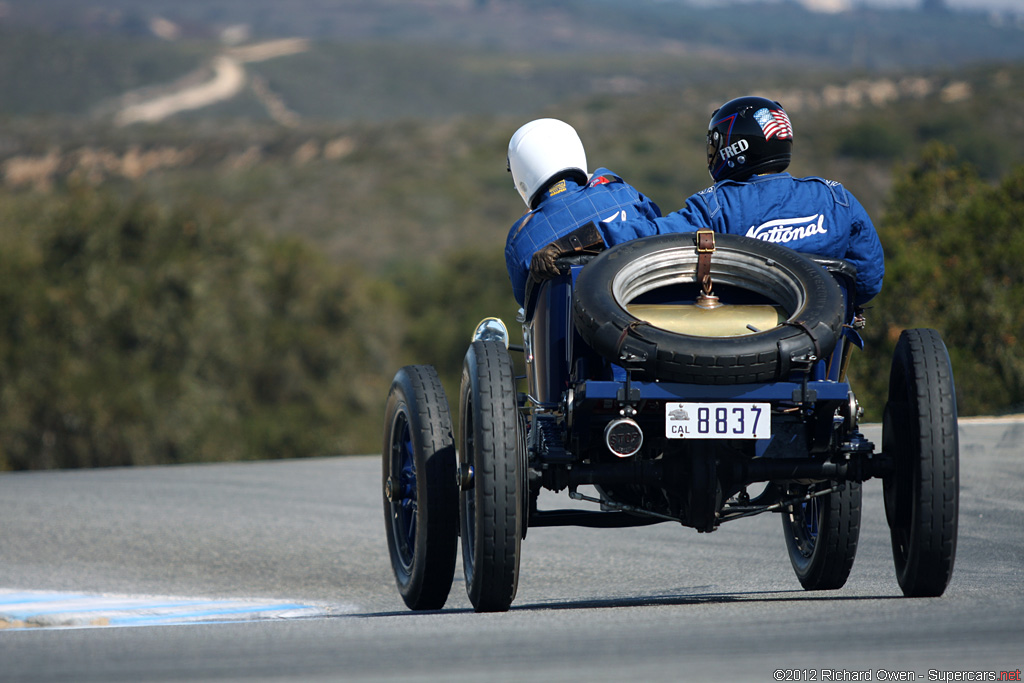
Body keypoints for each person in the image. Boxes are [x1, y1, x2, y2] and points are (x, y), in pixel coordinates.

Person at [536, 96, 884, 306]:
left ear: (735, 147)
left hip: (740, 347)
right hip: (821, 349)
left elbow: (645, 234)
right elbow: (868, 281)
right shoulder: (837, 198)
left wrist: (571, 243)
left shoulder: (718, 206)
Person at [504, 118, 662, 306]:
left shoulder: (520, 239)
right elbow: (657, 231)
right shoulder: (621, 192)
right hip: (645, 313)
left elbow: (528, 304)